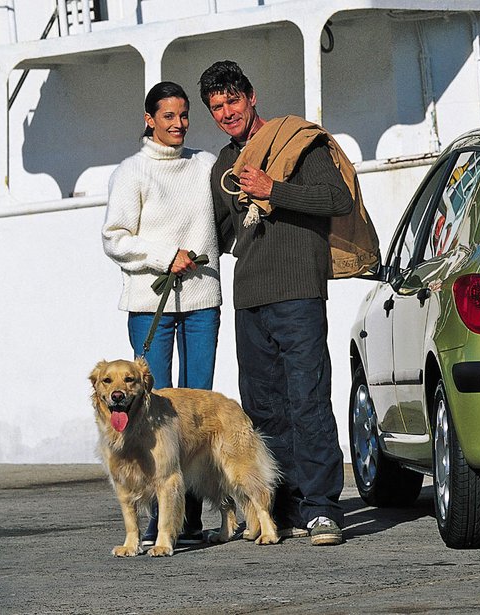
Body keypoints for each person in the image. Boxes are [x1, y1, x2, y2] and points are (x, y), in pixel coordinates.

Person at [199, 60, 350, 546]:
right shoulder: (223, 165)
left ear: (252, 96)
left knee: (308, 399)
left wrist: (274, 191)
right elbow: (221, 233)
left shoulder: (297, 140)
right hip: (249, 296)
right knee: (264, 408)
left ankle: (324, 508)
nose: (227, 113)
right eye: (217, 107)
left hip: (299, 289)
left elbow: (336, 199)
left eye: (233, 101)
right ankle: (280, 508)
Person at [101, 81, 220, 546]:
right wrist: (164, 255)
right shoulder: (132, 171)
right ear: (150, 119)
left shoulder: (205, 164)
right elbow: (115, 237)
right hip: (151, 302)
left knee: (195, 408)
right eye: (168, 115)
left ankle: (187, 517)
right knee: (146, 409)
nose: (178, 123)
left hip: (202, 298)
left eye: (184, 114)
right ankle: (155, 522)